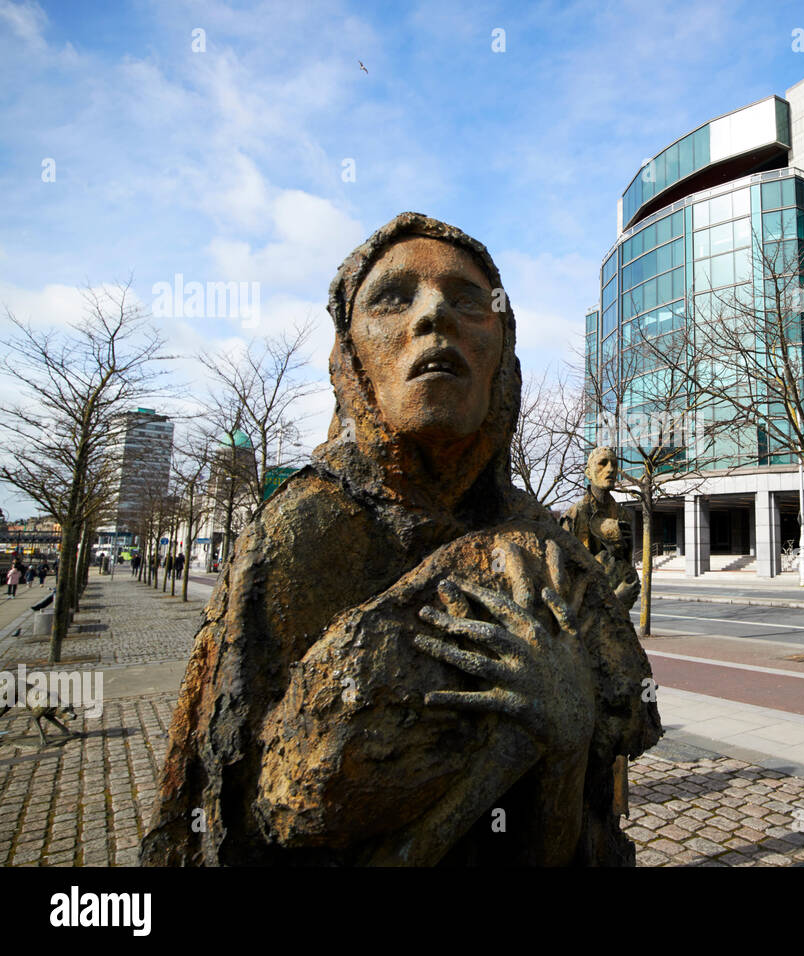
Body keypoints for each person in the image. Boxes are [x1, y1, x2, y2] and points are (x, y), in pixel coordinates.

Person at [141, 213, 661, 867]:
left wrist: (564, 733)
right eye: (393, 297)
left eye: (470, 301)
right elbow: (237, 831)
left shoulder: (546, 551)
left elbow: (582, 837)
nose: (435, 315)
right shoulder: (296, 538)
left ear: (504, 352)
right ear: (351, 355)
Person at [562, 446, 640, 611]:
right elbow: (568, 575)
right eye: (602, 463)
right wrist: (614, 598)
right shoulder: (575, 515)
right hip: (588, 610)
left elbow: (626, 564)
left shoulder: (623, 515)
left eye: (614, 464)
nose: (610, 469)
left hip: (618, 613)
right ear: (588, 473)